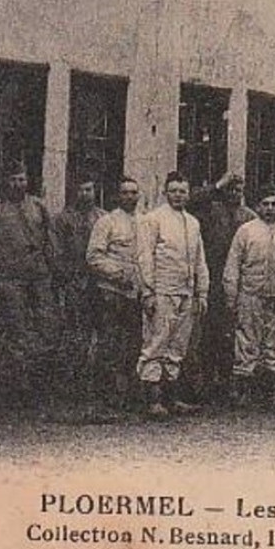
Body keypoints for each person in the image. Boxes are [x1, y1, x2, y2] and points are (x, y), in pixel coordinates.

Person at [0, 161, 60, 412]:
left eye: (21, 179)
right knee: (17, 330)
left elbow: (49, 242)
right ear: (6, 183)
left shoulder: (38, 207)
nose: (18, 184)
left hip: (39, 278)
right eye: (13, 180)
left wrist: (54, 274)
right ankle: (17, 391)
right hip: (9, 280)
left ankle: (41, 388)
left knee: (46, 328)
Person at [222, 187, 275, 410]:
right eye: (265, 204)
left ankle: (273, 393)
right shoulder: (245, 231)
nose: (269, 208)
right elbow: (233, 266)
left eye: (273, 204)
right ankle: (242, 392)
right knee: (247, 342)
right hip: (251, 295)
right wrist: (232, 297)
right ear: (257, 206)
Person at [135, 173, 209, 418]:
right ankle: (153, 400)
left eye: (183, 191)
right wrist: (148, 292)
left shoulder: (193, 222)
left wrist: (202, 292)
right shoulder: (152, 219)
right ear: (165, 193)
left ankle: (172, 397)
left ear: (188, 194)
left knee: (178, 346)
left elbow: (199, 260)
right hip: (162, 291)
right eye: (174, 190)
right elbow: (145, 257)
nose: (179, 195)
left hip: (186, 292)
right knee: (156, 343)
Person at [189, 174, 255, 404]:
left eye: (239, 190)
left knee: (234, 334)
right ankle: (207, 383)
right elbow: (191, 202)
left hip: (240, 283)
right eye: (231, 190)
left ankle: (228, 383)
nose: (235, 194)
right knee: (209, 334)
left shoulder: (249, 218)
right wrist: (217, 186)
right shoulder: (211, 211)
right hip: (213, 279)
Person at [85, 178, 145, 412]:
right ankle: (105, 397)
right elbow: (94, 257)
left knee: (133, 344)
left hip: (135, 294)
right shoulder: (106, 222)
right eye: (125, 193)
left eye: (133, 192)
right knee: (109, 344)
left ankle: (129, 395)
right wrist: (118, 274)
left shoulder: (145, 222)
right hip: (111, 292)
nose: (130, 197)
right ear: (118, 196)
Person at [51, 180, 106, 414]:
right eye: (81, 189)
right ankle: (70, 387)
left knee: (101, 333)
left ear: (95, 192)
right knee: (76, 333)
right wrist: (67, 278)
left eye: (89, 189)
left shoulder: (103, 218)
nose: (85, 194)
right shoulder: (64, 219)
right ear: (74, 192)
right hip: (75, 282)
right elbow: (56, 251)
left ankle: (96, 385)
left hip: (100, 283)